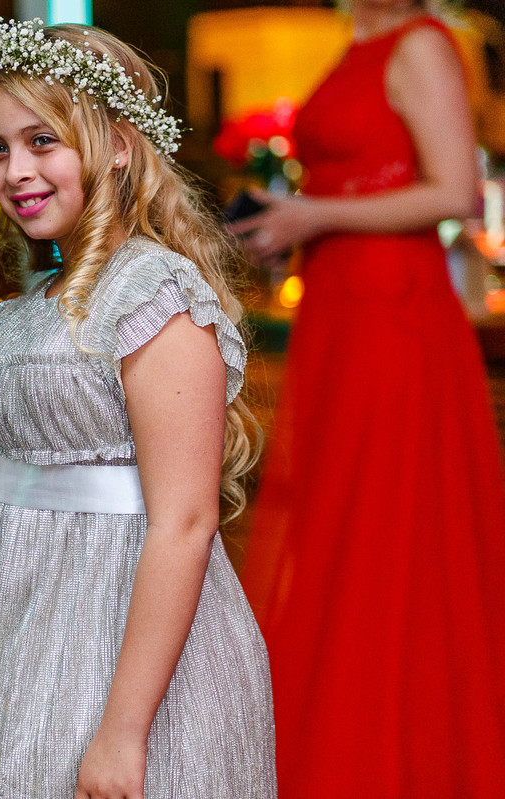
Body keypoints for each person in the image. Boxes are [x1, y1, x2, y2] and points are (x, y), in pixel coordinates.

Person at [0, 19, 276, 799]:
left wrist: (123, 730)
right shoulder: (22, 311)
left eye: (42, 140)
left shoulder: (154, 294)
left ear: (119, 143)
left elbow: (184, 521)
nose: (15, 169)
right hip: (18, 644)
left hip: (127, 661)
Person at [232, 1, 505, 795]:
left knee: (388, 525)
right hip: (341, 306)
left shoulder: (423, 42)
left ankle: (386, 753)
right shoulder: (360, 38)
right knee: (339, 521)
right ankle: (333, 737)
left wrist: (314, 214)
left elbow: (457, 193)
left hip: (393, 315)